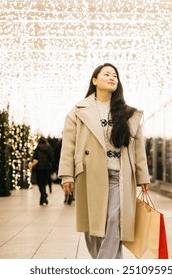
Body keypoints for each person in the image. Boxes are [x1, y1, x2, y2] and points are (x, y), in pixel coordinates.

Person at [58, 63, 150, 259]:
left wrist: (143, 176)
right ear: (94, 81)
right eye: (107, 74)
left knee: (114, 221)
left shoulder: (127, 113)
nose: (112, 78)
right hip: (90, 175)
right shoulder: (78, 111)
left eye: (115, 75)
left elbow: (137, 147)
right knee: (94, 229)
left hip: (119, 176)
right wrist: (67, 175)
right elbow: (69, 145)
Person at [29, 136, 54, 205]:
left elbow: (35, 159)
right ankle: (43, 197)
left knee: (40, 183)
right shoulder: (49, 148)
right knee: (44, 183)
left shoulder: (37, 149)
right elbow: (52, 158)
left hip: (39, 168)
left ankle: (44, 195)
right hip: (47, 168)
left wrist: (33, 166)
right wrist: (53, 167)